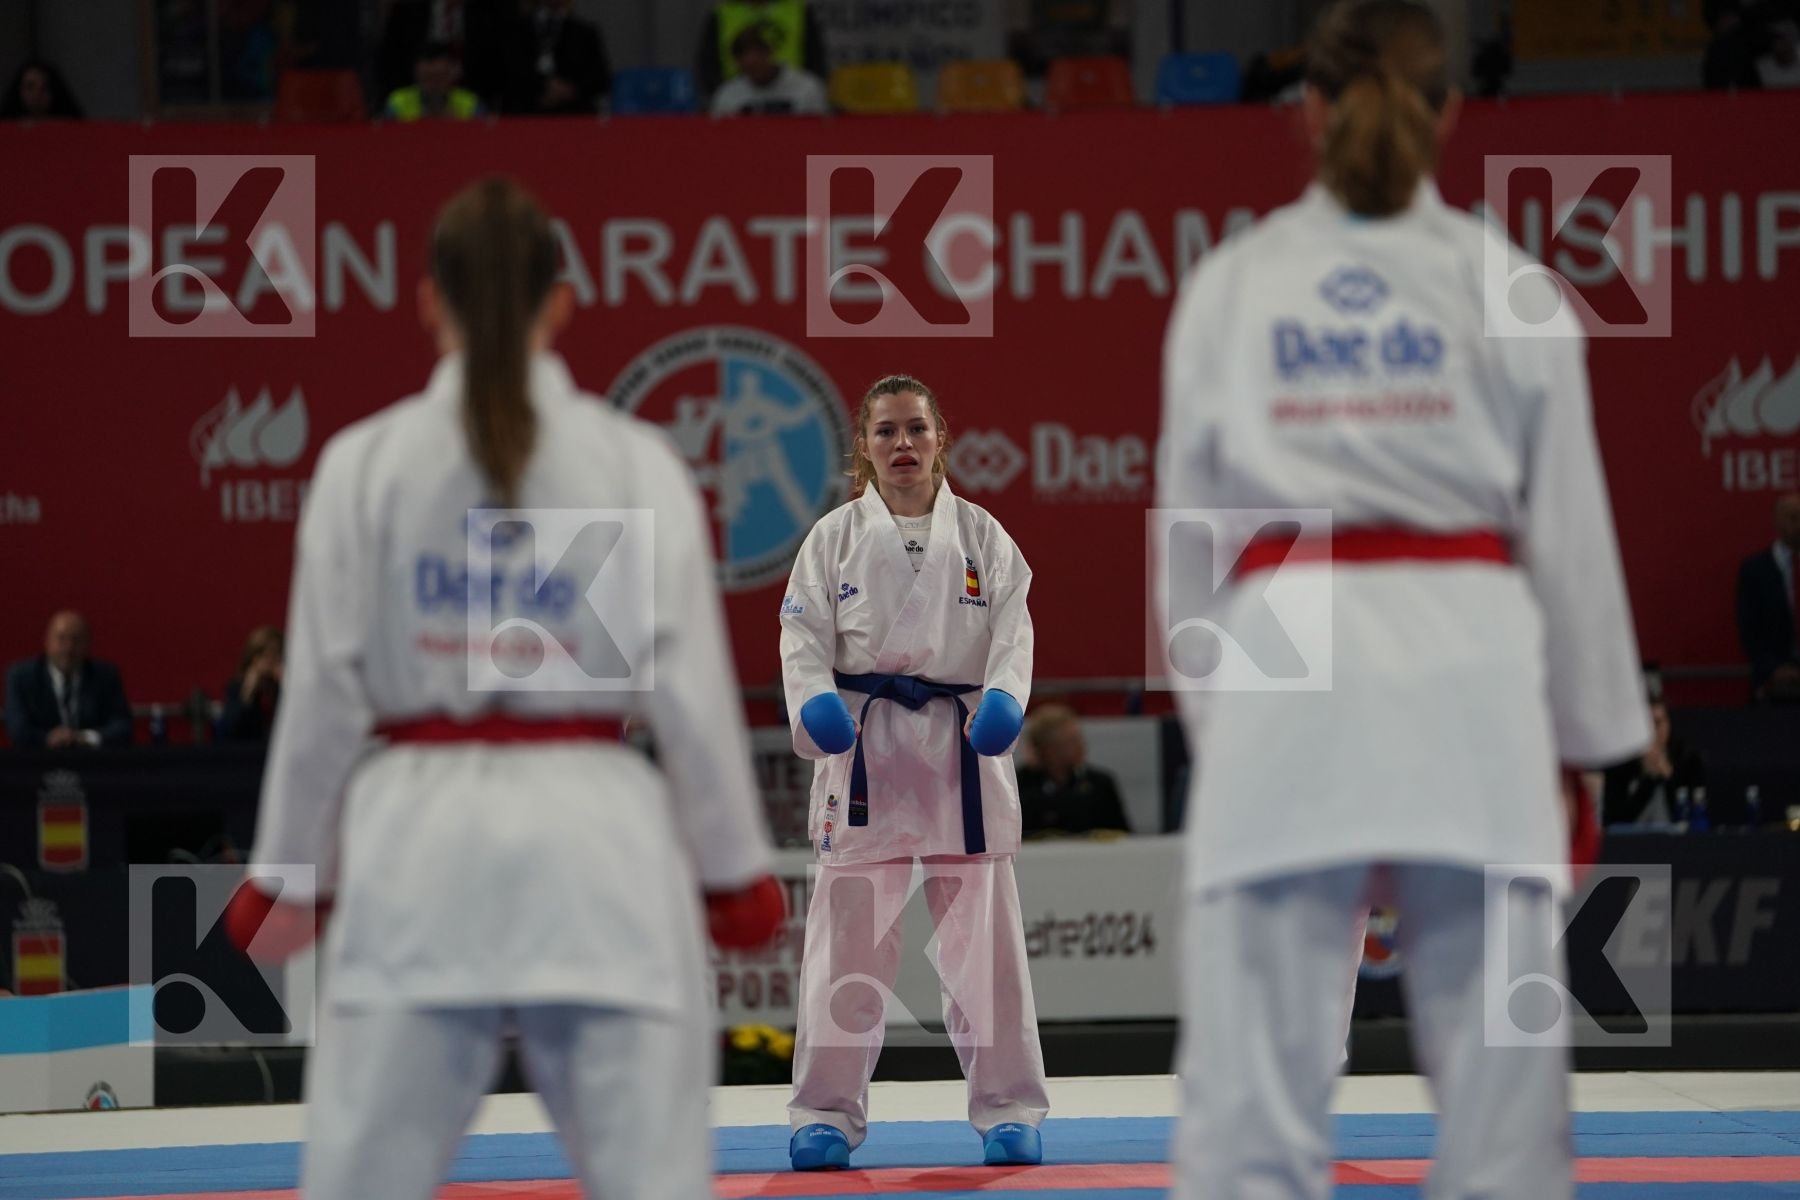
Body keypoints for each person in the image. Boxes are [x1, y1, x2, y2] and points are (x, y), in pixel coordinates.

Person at [1156, 3, 1649, 1198]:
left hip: (1284, 666)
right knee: (1504, 1125)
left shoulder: (1231, 286)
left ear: (1309, 112)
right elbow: (1570, 545)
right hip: (1470, 671)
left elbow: (1189, 555)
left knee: (1248, 1125)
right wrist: (1587, 744)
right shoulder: (1512, 286)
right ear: (1452, 115)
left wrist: (1230, 731)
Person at [227, 177, 783, 1200]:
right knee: (653, 1182)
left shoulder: (365, 466)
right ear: (560, 302)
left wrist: (286, 876)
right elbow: (690, 691)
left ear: (428, 301)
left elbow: (322, 697)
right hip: (599, 854)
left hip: (414, 863)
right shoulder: (633, 460)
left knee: (360, 1182)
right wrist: (732, 872)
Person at [778, 374, 1049, 1171]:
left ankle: (1008, 1108)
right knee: (847, 949)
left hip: (962, 755)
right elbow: (800, 637)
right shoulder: (831, 538)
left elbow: (1015, 629)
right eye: (888, 431)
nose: (904, 445)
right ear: (862, 445)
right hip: (865, 756)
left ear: (941, 441)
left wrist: (1004, 696)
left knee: (985, 947)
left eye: (917, 430)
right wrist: (814, 703)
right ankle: (824, 1114)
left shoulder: (985, 536)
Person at [5, 611, 133, 749]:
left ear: (88, 644)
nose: (68, 648)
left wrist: (85, 737)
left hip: (94, 763)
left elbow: (123, 726)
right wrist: (48, 738)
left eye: (76, 640)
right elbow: (18, 730)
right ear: (47, 641)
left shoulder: (105, 676)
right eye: (61, 639)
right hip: (37, 764)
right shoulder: (21, 677)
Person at [1016, 703, 1131, 837]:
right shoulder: (1020, 786)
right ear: (1049, 750)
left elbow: (1123, 835)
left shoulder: (1100, 784)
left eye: (1079, 739)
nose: (1081, 746)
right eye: (1071, 741)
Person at [1736, 490, 1800, 702]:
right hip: (1773, 683)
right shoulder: (1755, 570)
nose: (1798, 524)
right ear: (1777, 522)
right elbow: (1748, 627)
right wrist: (1772, 668)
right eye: (1793, 517)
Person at [1602, 699, 1707, 826]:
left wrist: (1668, 776)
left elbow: (1694, 816)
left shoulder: (1688, 760)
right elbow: (1616, 821)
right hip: (1631, 843)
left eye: (1657, 723)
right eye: (1646, 724)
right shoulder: (1621, 763)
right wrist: (1649, 779)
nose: (1652, 730)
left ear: (1668, 725)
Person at [697, 0, 828, 97]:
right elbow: (708, 64)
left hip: (794, 99)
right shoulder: (723, 13)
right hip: (738, 100)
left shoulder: (798, 10)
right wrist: (726, 93)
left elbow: (816, 59)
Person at [501, 0, 611, 115]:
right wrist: (542, 87)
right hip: (524, 114)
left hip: (574, 114)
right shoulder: (514, 31)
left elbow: (600, 79)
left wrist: (568, 90)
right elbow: (506, 74)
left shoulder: (585, 33)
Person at [710, 26, 827, 116]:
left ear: (770, 53)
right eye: (749, 67)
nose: (754, 67)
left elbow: (817, 131)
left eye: (758, 60)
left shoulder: (806, 88)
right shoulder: (727, 95)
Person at [385, 41, 485, 120]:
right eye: (427, 78)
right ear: (416, 75)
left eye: (439, 78)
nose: (433, 86)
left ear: (452, 75)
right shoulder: (398, 102)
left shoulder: (470, 104)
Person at [220, 626, 284, 742]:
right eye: (264, 656)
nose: (269, 662)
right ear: (253, 658)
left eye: (275, 655)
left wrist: (285, 685)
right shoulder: (237, 687)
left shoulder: (282, 687)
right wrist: (248, 690)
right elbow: (230, 729)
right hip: (248, 752)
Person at [0, 57, 84, 120]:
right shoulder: (5, 129)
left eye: (44, 88)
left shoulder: (69, 127)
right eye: (30, 87)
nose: (37, 94)